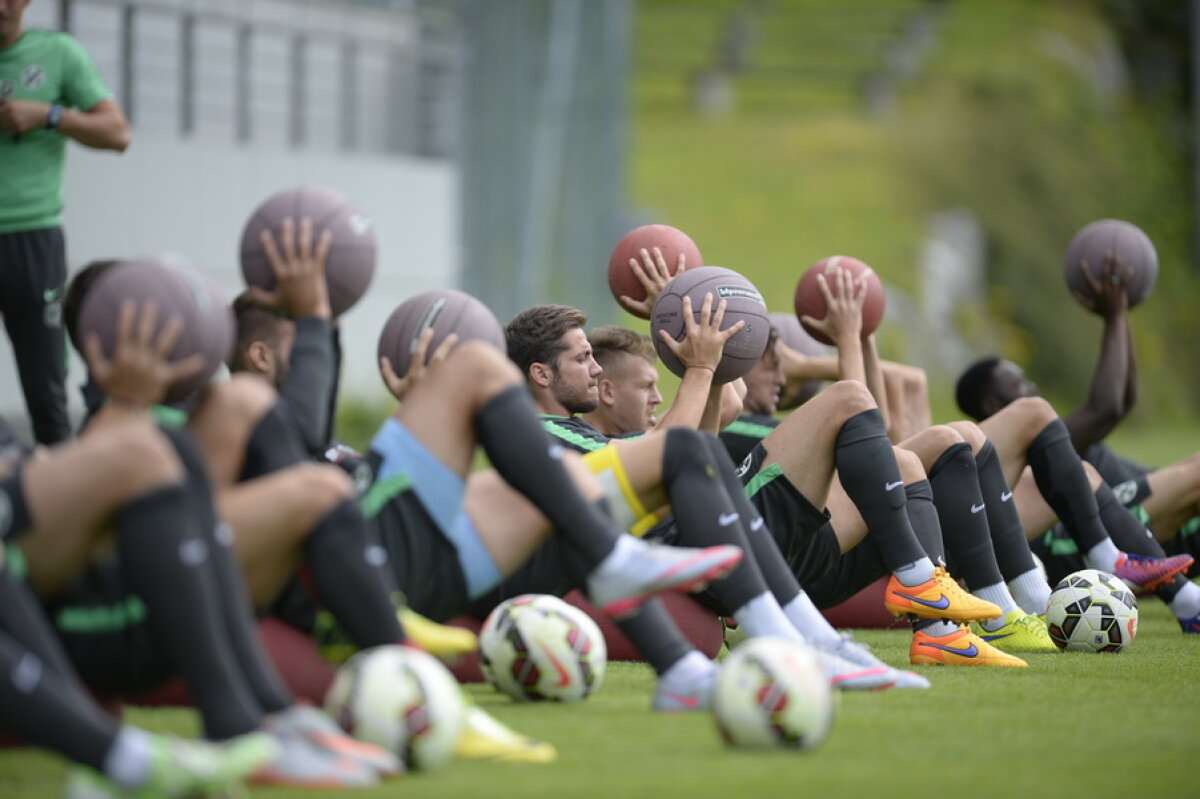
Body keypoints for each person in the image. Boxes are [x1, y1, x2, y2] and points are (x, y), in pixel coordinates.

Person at [0, 0, 131, 444]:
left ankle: (62, 498)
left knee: (46, 391)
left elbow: (118, 133)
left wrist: (48, 115)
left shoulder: (59, 54)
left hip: (32, 238)